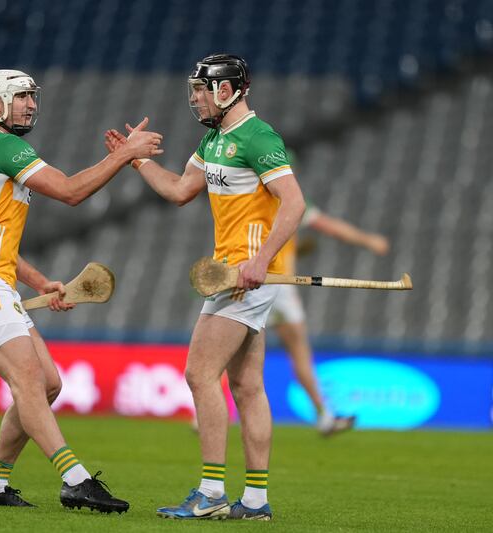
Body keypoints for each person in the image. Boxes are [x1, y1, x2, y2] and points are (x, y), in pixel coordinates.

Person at [0, 69, 162, 512]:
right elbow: (69, 191)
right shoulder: (4, 145)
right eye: (21, 97)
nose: (30, 105)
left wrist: (40, 281)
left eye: (31, 97)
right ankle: (75, 480)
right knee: (28, 382)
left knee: (46, 385)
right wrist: (126, 157)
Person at [106, 53, 304, 520]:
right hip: (231, 275)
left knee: (199, 374)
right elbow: (179, 191)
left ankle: (212, 492)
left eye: (201, 89)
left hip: (244, 276)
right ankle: (254, 501)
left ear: (226, 89)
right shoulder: (215, 138)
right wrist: (133, 161)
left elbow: (293, 203)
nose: (194, 98)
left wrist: (259, 260)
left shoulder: (258, 136)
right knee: (248, 386)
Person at [270, 204, 390, 435]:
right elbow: (331, 227)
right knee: (299, 350)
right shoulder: (286, 195)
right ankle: (324, 416)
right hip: (279, 286)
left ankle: (203, 412)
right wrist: (369, 240)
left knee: (237, 346)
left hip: (249, 279)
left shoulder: (245, 192)